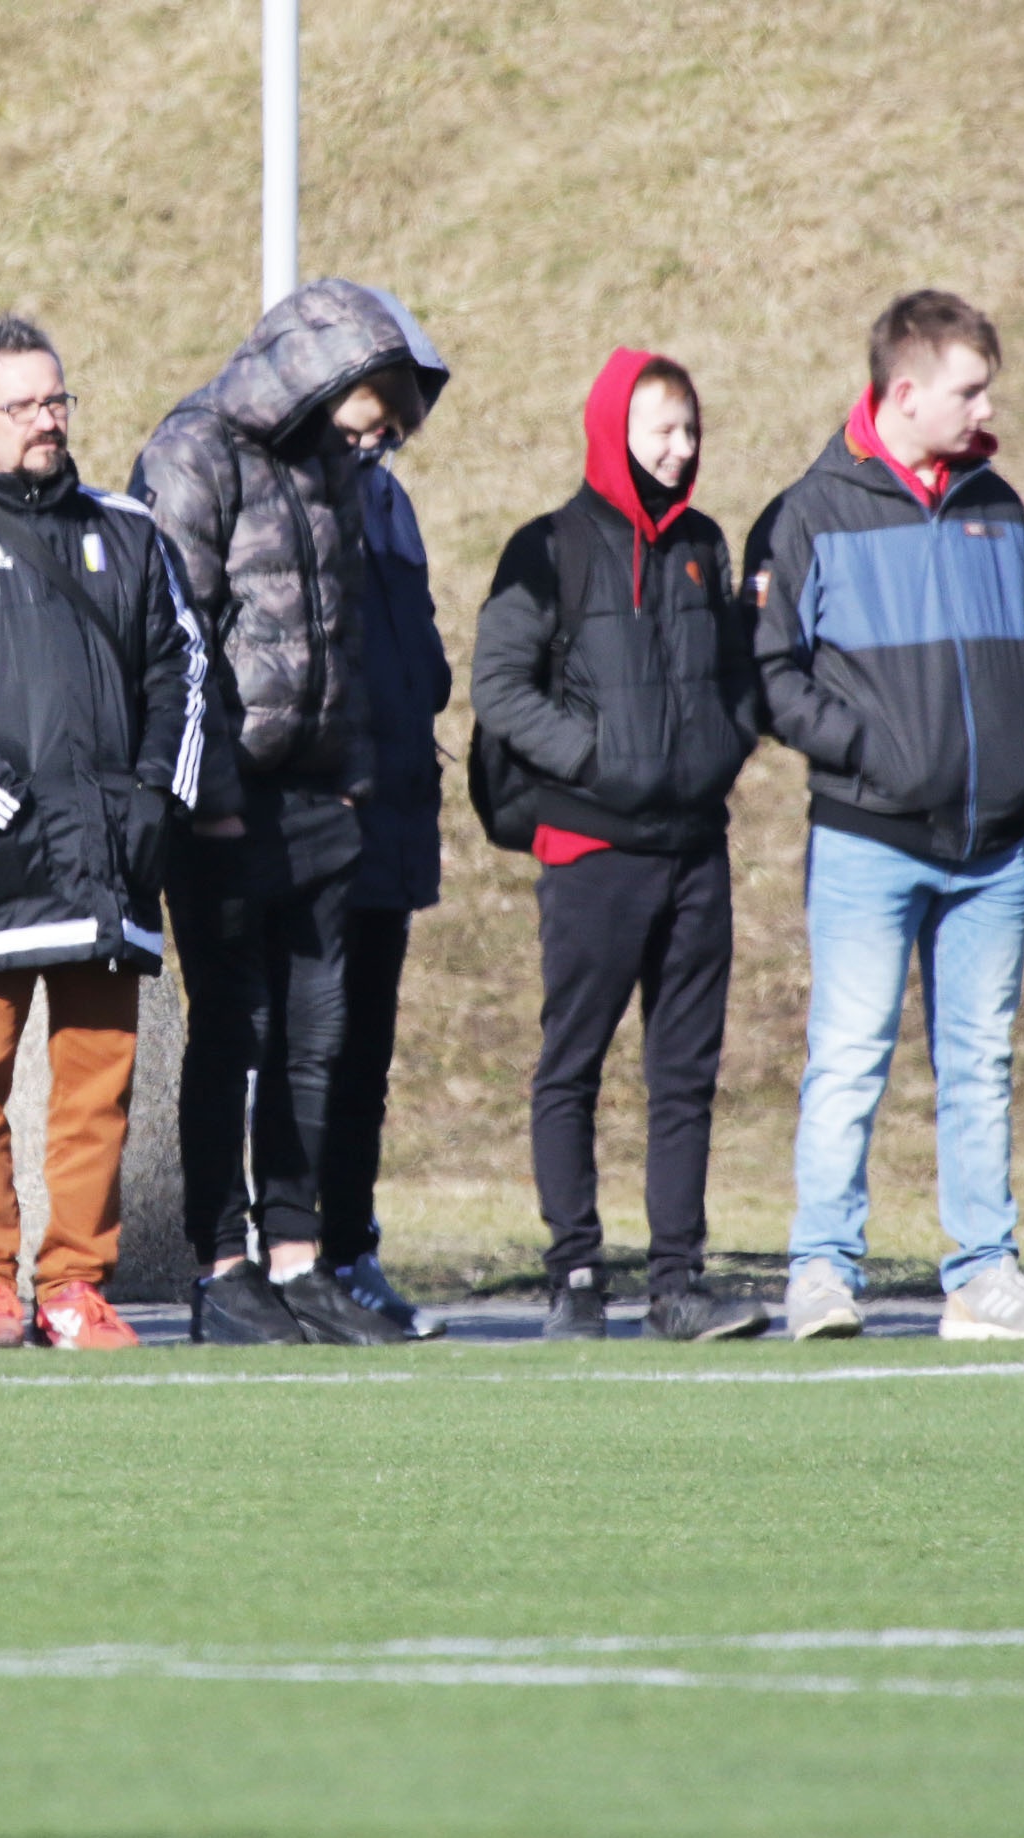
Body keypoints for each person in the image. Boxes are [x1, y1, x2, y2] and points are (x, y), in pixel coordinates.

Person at [0, 314, 217, 1351]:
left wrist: (157, 794)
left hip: (112, 864)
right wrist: (2, 805)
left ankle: (72, 1285)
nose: (45, 420)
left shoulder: (129, 531)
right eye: (21, 405)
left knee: (95, 1087)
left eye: (56, 400)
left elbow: (181, 671)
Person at [747, 290, 1024, 1342]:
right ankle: (821, 1271)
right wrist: (870, 754)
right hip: (867, 839)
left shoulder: (998, 505)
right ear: (903, 392)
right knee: (848, 1056)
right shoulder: (811, 511)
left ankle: (982, 1273)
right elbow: (771, 674)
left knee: (978, 1062)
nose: (986, 405)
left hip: (994, 849)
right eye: (968, 387)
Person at [132, 278, 448, 1346]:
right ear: (324, 373)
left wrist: (353, 769)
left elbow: (344, 629)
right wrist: (212, 798)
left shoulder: (329, 461)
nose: (379, 441)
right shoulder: (192, 451)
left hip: (324, 797)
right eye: (375, 414)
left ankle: (300, 1258)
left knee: (320, 1036)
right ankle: (223, 1266)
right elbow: (173, 635)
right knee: (235, 1031)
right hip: (228, 807)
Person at [470, 349, 767, 1343]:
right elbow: (500, 688)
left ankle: (678, 1283)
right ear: (612, 429)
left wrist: (719, 748)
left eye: (689, 430)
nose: (679, 450)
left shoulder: (705, 545)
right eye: (659, 430)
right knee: (573, 1064)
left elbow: (737, 676)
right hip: (591, 850)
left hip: (695, 850)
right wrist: (595, 760)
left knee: (684, 1073)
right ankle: (579, 1277)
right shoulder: (546, 547)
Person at [325, 292, 452, 1341]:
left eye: (390, 432)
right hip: (319, 817)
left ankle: (348, 1243)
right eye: (364, 426)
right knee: (300, 1048)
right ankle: (289, 1248)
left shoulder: (388, 505)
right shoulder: (296, 493)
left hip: (392, 813)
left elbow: (419, 653)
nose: (378, 447)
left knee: (364, 1050)